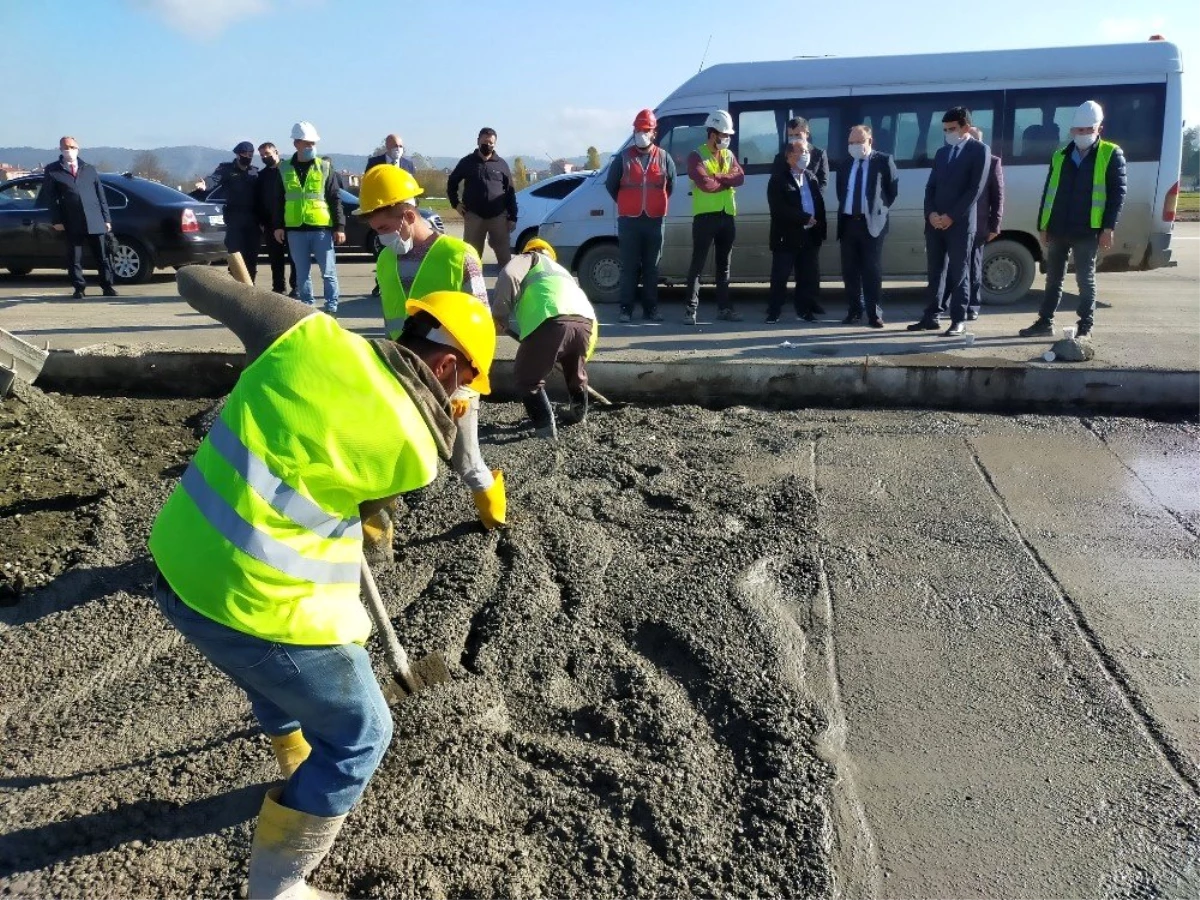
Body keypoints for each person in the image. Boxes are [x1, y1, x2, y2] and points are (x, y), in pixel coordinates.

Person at [150, 265, 494, 899]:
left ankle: (291, 753)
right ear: (448, 367)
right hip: (251, 600)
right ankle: (278, 887)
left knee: (275, 667)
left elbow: (199, 283)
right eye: (469, 381)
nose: (465, 396)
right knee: (364, 732)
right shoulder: (418, 454)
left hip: (175, 562)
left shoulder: (307, 337)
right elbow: (373, 529)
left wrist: (273, 324)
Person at [355, 164, 505, 529]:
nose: (382, 239)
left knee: (466, 463)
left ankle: (495, 518)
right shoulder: (386, 258)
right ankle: (376, 539)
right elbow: (392, 322)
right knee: (387, 459)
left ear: (408, 215)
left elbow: (481, 326)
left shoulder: (459, 255)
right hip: (402, 375)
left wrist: (466, 388)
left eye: (385, 229)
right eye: (376, 232)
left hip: (452, 379)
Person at [1019, 100, 1126, 340]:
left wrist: (1108, 227)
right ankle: (1045, 322)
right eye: (1080, 130)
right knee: (1053, 278)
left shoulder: (1111, 153)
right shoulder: (1060, 156)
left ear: (1099, 128)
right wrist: (1043, 226)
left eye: (1089, 129)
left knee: (1085, 279)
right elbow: (1049, 193)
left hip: (1088, 229)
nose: (1084, 134)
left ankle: (1085, 326)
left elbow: (1118, 194)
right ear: (1072, 131)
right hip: (1058, 227)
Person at [491, 239, 597, 437]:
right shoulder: (561, 271)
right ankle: (578, 414)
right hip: (585, 322)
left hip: (550, 319)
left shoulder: (529, 258)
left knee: (527, 378)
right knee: (575, 372)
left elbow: (508, 275)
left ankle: (545, 429)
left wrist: (499, 315)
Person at [907, 107, 990, 336]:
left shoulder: (979, 151)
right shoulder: (943, 153)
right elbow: (931, 187)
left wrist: (951, 216)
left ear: (966, 127)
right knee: (935, 271)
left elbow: (975, 190)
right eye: (945, 130)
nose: (948, 133)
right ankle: (931, 316)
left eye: (952, 129)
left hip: (960, 225)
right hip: (935, 224)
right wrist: (931, 214)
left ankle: (958, 319)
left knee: (958, 272)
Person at [605, 108, 676, 324]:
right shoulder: (623, 158)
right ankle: (625, 309)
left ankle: (650, 309)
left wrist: (653, 202)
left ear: (654, 132)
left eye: (645, 130)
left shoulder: (664, 158)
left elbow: (670, 185)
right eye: (637, 129)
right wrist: (629, 203)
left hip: (655, 220)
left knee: (652, 268)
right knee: (629, 268)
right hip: (629, 221)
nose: (640, 133)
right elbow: (611, 185)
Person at [272, 121, 345, 316]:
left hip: (321, 228)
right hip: (295, 229)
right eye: (307, 143)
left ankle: (331, 306)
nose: (311, 147)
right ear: (296, 143)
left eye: (313, 143)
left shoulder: (324, 167)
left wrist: (340, 227)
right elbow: (278, 200)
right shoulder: (284, 168)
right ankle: (307, 306)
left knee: (328, 272)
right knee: (302, 273)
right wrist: (278, 226)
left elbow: (335, 198)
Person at [684, 109, 745, 324]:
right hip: (705, 218)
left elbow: (740, 178)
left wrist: (719, 176)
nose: (727, 139)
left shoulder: (728, 155)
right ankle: (690, 310)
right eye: (724, 135)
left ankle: (724, 309)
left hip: (727, 215)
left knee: (724, 266)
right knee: (697, 265)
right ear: (712, 133)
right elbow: (705, 185)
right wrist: (724, 181)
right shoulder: (696, 155)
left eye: (728, 135)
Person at [836, 125, 899, 328]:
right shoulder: (846, 164)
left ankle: (874, 314)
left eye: (858, 142)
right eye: (851, 142)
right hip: (848, 223)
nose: (854, 146)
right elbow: (841, 192)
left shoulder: (883, 161)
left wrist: (876, 210)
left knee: (871, 271)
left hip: (872, 224)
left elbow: (891, 192)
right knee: (850, 271)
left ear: (869, 141)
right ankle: (854, 311)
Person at [940, 125, 1004, 322]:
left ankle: (972, 305)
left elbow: (998, 196)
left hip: (979, 222)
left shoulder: (992, 162)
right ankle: (947, 303)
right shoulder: (955, 160)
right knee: (954, 266)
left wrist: (995, 226)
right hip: (956, 221)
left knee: (974, 267)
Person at [39, 136, 116, 299]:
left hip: (95, 219)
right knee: (75, 257)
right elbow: (51, 198)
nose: (69, 150)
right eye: (66, 147)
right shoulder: (53, 170)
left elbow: (100, 195)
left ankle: (107, 286)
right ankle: (79, 288)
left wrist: (106, 219)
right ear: (60, 149)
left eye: (72, 147)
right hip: (72, 221)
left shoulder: (89, 169)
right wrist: (57, 220)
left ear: (78, 148)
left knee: (102, 256)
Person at [766, 139, 827, 323]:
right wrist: (803, 218)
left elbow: (819, 205)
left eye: (807, 151)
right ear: (789, 156)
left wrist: (819, 227)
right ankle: (774, 311)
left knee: (807, 276)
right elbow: (778, 209)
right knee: (780, 276)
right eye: (801, 151)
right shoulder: (778, 179)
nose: (806, 155)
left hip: (809, 236)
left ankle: (804, 310)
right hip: (786, 236)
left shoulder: (811, 177)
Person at [447, 128, 518, 269]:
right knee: (470, 260)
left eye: (491, 143)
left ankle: (507, 291)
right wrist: (456, 204)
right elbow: (452, 183)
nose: (488, 145)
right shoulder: (467, 162)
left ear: (495, 144)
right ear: (478, 141)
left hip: (498, 218)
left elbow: (510, 192)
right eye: (485, 142)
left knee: (506, 261)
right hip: (474, 217)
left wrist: (512, 217)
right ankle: (470, 290)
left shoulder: (501, 164)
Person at [366, 134, 417, 298]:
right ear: (387, 146)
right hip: (383, 213)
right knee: (385, 252)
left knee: (406, 250)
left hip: (403, 214)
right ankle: (380, 283)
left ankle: (406, 282)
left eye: (400, 146)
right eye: (395, 146)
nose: (398, 150)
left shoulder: (408, 164)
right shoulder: (374, 163)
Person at [210, 141, 261, 283]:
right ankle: (235, 287)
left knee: (252, 256)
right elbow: (212, 182)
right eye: (245, 154)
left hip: (253, 220)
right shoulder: (225, 169)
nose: (248, 156)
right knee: (235, 254)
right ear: (238, 155)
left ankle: (251, 286)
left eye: (250, 154)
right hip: (234, 219)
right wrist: (203, 185)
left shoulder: (255, 171)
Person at [256, 142, 296, 296]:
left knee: (294, 257)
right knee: (275, 259)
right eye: (262, 155)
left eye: (267, 153)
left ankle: (296, 287)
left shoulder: (290, 169)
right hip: (271, 223)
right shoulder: (262, 176)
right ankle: (278, 287)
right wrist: (262, 221)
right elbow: (259, 200)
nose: (265, 157)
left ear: (276, 152)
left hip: (291, 220)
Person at [785, 116, 830, 190]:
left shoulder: (819, 154)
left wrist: (814, 198)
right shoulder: (782, 155)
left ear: (807, 134)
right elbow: (777, 181)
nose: (794, 138)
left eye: (797, 135)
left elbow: (823, 182)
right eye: (790, 135)